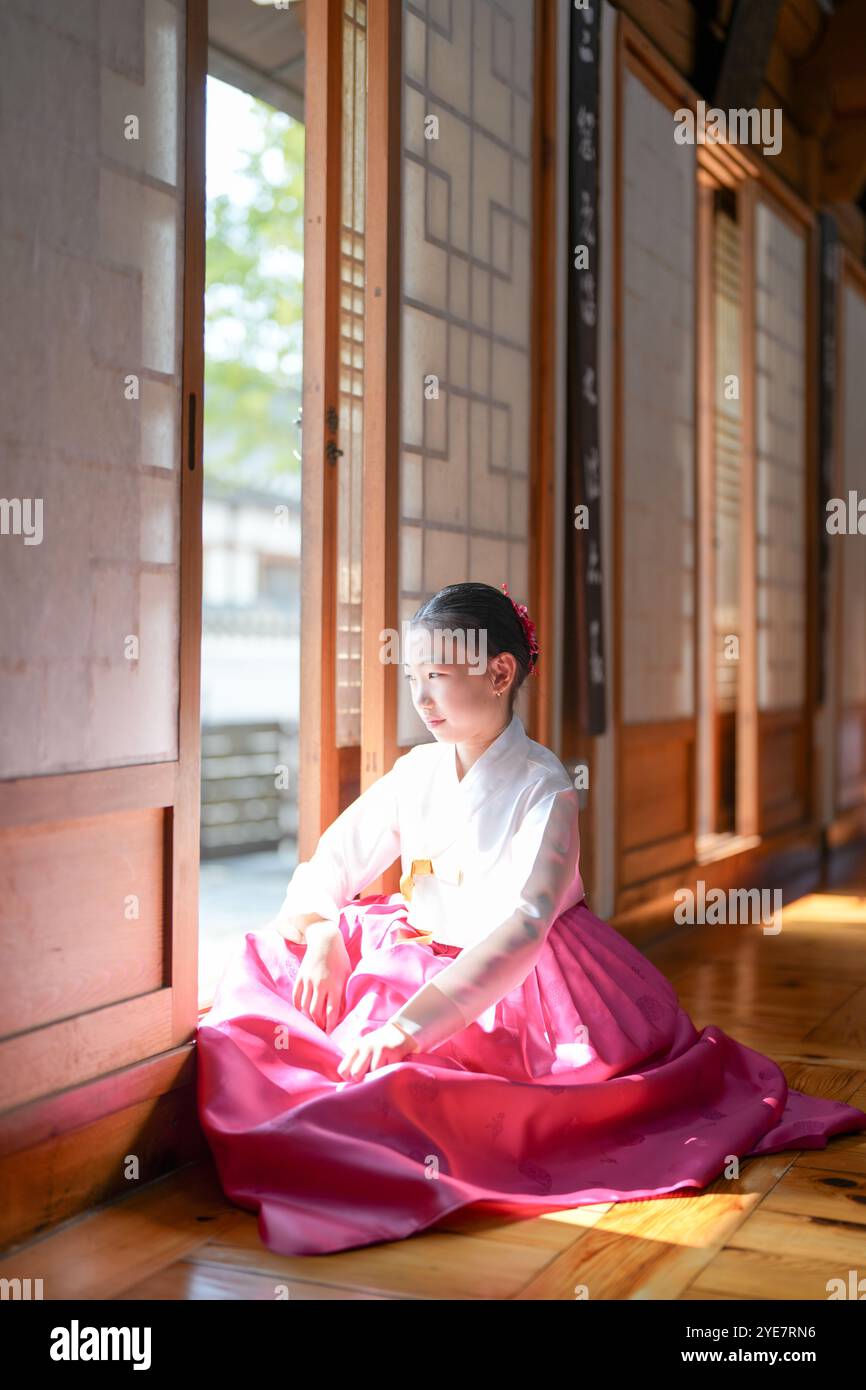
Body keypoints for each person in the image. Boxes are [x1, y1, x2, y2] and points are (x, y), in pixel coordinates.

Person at [197, 581, 866, 1257]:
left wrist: (410, 1027)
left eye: (437, 677)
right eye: (412, 678)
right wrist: (320, 937)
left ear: (500, 673)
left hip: (523, 978)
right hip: (416, 948)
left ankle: (359, 1143)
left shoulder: (545, 786)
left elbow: (522, 925)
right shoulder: (417, 771)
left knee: (408, 1087)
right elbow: (337, 856)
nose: (421, 699)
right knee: (265, 974)